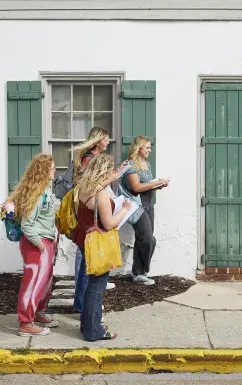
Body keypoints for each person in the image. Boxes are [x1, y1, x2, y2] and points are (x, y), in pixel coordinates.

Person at [74, 154, 133, 341]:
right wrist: (124, 209)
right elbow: (108, 224)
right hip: (99, 242)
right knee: (96, 287)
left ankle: (87, 324)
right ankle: (93, 330)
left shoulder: (84, 188)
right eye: (110, 169)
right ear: (104, 171)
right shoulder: (100, 194)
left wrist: (113, 176)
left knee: (90, 284)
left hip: (85, 238)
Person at [9, 153, 60, 336]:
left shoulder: (45, 190)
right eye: (52, 168)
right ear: (44, 171)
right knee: (33, 283)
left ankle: (36, 313)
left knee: (43, 283)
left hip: (44, 241)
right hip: (37, 244)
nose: (55, 171)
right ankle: (25, 323)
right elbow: (27, 224)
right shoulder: (37, 194)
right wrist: (40, 245)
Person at [68, 127, 117, 313]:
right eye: (105, 139)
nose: (108, 142)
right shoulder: (88, 160)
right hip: (88, 216)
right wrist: (111, 178)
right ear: (97, 141)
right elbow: (89, 187)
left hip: (86, 214)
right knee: (85, 263)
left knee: (84, 262)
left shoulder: (88, 159)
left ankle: (83, 302)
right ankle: (83, 303)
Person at [118, 135, 169, 286]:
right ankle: (138, 273)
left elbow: (146, 185)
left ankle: (140, 272)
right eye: (147, 147)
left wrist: (158, 185)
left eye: (150, 147)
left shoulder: (147, 164)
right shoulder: (131, 166)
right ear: (138, 148)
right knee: (146, 237)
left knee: (148, 239)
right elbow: (137, 188)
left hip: (148, 203)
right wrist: (156, 182)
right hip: (136, 205)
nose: (149, 150)